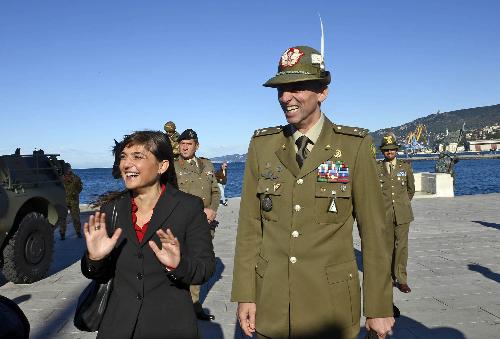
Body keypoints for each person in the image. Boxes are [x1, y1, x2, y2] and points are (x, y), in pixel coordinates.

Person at [231, 45, 395, 339]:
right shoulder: (262, 146)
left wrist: (379, 306)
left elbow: (374, 232)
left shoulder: (354, 146)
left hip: (330, 308)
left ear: (323, 92)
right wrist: (246, 293)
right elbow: (250, 229)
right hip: (273, 305)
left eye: (297, 88)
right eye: (280, 89)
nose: (285, 98)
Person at [80, 131, 215, 339]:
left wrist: (177, 265)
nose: (126, 164)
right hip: (118, 327)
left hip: (171, 326)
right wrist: (95, 259)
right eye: (124, 157)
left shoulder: (188, 207)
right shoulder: (112, 210)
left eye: (137, 156)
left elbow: (204, 268)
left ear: (162, 166)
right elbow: (98, 274)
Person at [174, 128, 220, 321]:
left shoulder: (207, 164)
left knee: (198, 263)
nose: (185, 147)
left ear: (196, 145)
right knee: (181, 263)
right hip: (183, 224)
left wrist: (212, 209)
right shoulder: (173, 167)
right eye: (182, 144)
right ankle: (178, 305)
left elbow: (215, 191)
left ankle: (194, 304)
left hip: (205, 224)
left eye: (189, 144)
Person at [377, 133, 415, 294]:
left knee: (401, 247)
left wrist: (403, 203)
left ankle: (402, 279)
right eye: (386, 150)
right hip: (384, 214)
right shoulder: (376, 168)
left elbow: (410, 189)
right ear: (383, 151)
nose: (389, 152)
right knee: (386, 247)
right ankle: (387, 277)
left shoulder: (404, 167)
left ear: (396, 150)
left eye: (392, 149)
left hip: (402, 214)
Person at [59, 162, 83, 240]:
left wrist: (74, 193)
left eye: (69, 168)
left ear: (70, 168)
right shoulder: (60, 178)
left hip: (74, 200)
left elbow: (80, 188)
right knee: (62, 218)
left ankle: (78, 232)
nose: (68, 170)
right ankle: (62, 234)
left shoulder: (76, 178)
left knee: (76, 217)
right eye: (66, 168)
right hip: (63, 200)